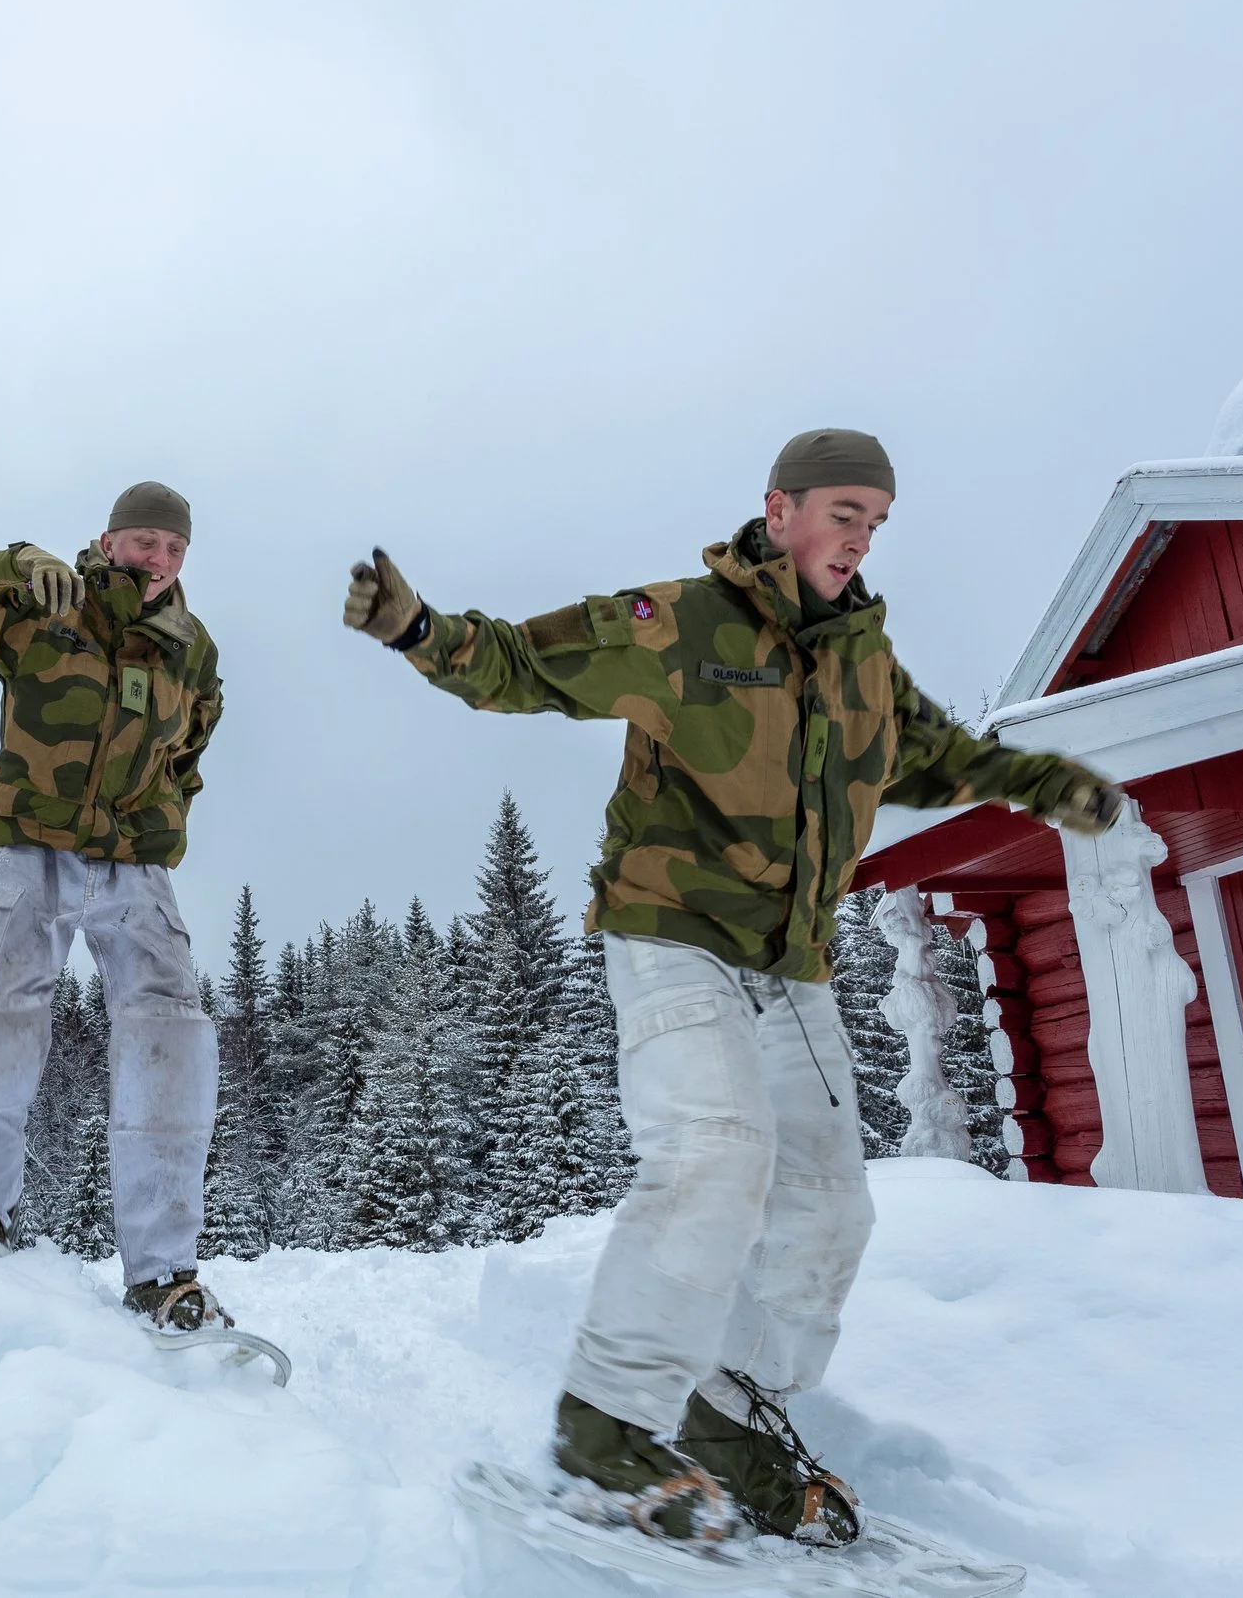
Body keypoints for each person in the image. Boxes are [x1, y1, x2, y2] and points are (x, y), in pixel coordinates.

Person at [343, 429, 1122, 1545]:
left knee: (827, 1206)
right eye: (844, 511)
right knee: (714, 1148)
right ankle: (604, 1424)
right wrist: (417, 629)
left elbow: (942, 753)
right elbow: (526, 662)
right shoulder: (682, 623)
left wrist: (1045, 782)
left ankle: (723, 1407)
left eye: (877, 520)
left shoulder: (864, 662)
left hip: (790, 962)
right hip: (672, 930)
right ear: (781, 508)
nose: (860, 537)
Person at [0, 481, 229, 1331]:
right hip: (27, 846)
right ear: (109, 538)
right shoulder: (44, 603)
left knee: (172, 1036)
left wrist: (159, 817)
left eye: (173, 547)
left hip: (134, 866)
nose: (158, 559)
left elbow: (189, 748)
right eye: (144, 540)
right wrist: (10, 564)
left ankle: (164, 1272)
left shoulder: (191, 648)